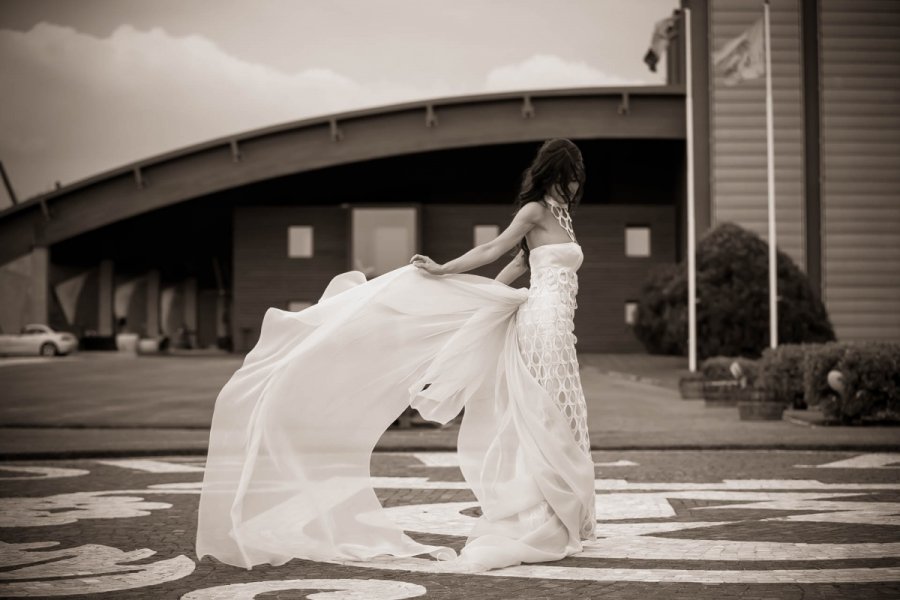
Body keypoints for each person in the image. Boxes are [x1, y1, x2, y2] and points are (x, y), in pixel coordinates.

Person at [195, 138, 596, 573]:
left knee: (562, 409)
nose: (574, 186)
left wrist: (493, 296)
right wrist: (448, 272)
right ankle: (541, 515)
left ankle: (556, 513)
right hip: (540, 323)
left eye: (577, 179)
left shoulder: (563, 217)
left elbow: (521, 266)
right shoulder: (534, 209)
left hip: (560, 325)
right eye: (569, 177)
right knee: (545, 410)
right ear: (553, 172)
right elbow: (494, 251)